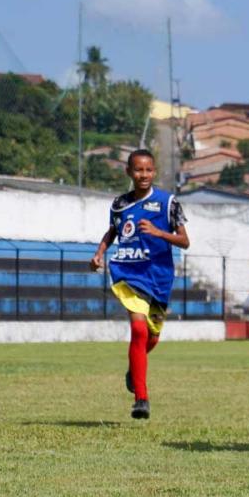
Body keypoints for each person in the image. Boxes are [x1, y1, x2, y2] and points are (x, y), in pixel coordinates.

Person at [90, 149, 189, 420]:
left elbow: (184, 241)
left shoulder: (169, 203)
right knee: (138, 328)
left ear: (154, 171)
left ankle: (135, 368)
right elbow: (112, 231)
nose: (143, 175)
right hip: (129, 274)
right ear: (129, 172)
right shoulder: (119, 204)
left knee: (152, 337)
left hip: (159, 278)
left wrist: (159, 232)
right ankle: (141, 399)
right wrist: (99, 253)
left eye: (148, 170)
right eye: (138, 170)